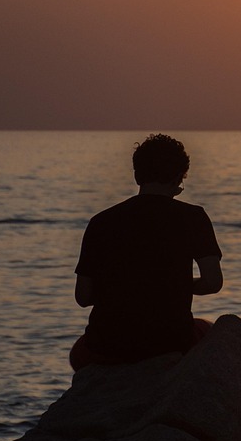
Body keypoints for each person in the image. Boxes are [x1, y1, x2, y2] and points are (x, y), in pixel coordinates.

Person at [71, 134, 222, 370]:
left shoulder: (101, 221)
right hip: (169, 343)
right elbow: (212, 283)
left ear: (136, 175)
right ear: (179, 176)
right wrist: (173, 284)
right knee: (208, 330)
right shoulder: (194, 218)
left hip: (108, 345)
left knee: (78, 353)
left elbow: (83, 297)